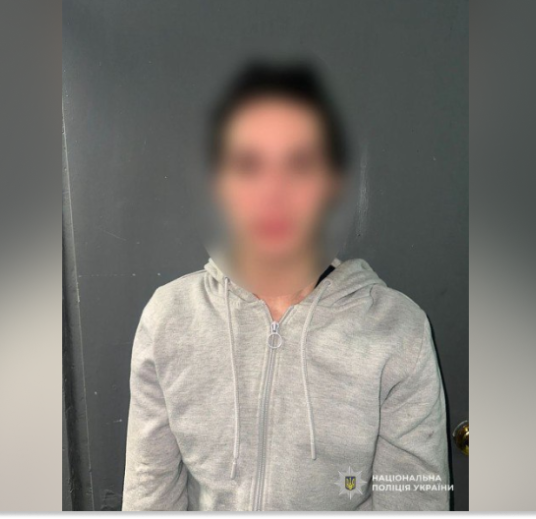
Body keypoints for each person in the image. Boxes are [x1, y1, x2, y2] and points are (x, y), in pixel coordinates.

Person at [122, 62, 449, 511]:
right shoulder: (169, 318)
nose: (273, 192)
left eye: (300, 164)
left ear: (331, 185)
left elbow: (414, 502)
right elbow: (149, 490)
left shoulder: (399, 332)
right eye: (248, 165)